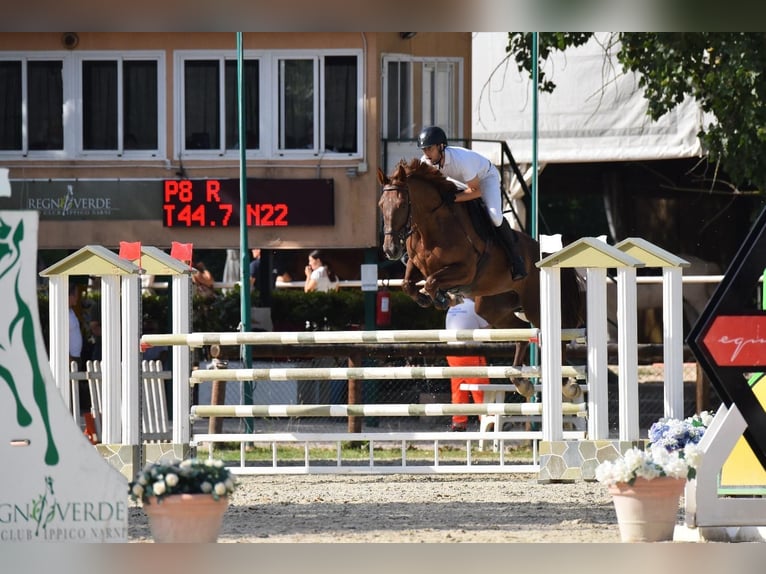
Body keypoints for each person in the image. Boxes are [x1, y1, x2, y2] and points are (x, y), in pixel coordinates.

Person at [418, 125, 526, 281]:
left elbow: (476, 191)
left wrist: (454, 198)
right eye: (424, 149)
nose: (426, 153)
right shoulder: (426, 162)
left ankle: (516, 258)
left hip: (485, 180)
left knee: (495, 217)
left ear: (441, 146)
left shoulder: (461, 161)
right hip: (460, 181)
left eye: (429, 149)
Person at [444, 297, 490, 432]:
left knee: (458, 388)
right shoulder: (474, 308)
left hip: (452, 353)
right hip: (471, 352)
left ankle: (459, 422)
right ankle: (488, 420)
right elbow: (488, 330)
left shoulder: (451, 308)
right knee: (480, 387)